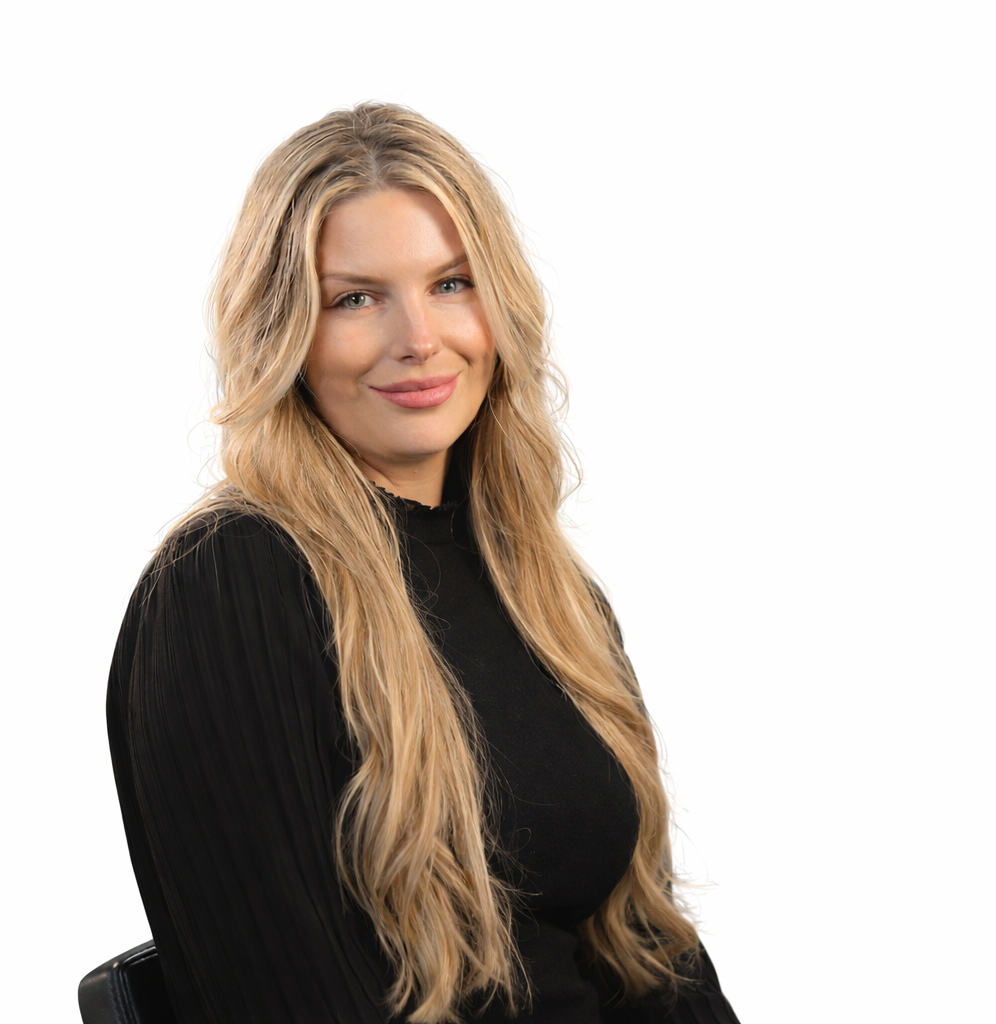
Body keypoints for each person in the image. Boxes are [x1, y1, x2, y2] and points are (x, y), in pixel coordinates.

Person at [107, 103, 742, 1024]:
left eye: (451, 283)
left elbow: (646, 955)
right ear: (283, 334)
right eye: (355, 298)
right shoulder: (230, 585)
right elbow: (285, 997)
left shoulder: (548, 595)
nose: (419, 338)